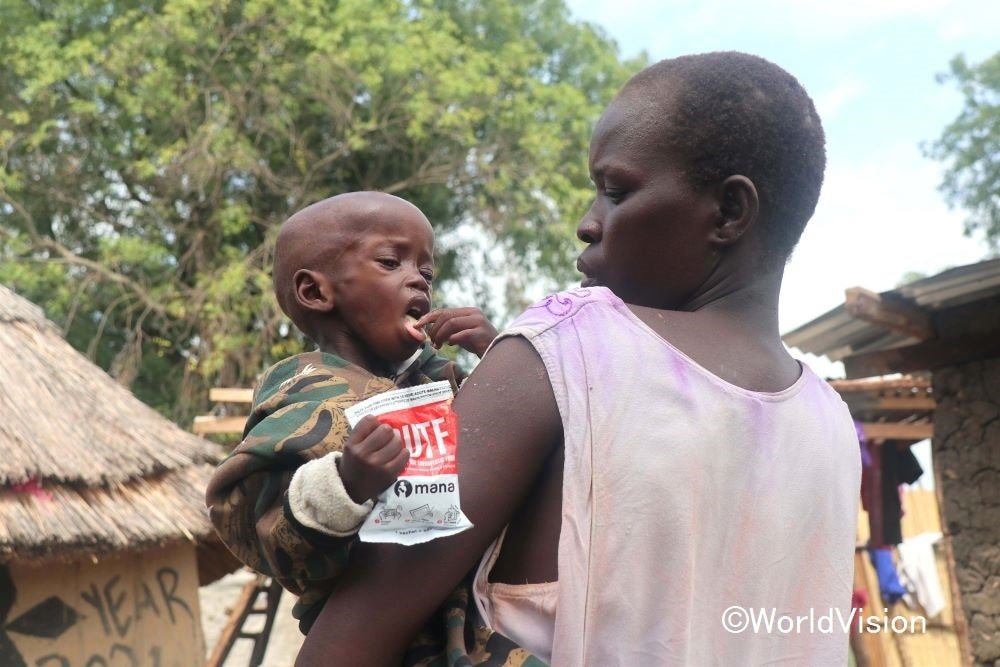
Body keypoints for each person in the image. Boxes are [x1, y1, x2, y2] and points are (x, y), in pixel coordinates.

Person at [297, 51, 861, 666]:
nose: (588, 224)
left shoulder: (570, 348)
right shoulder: (831, 422)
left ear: (729, 212)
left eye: (616, 192)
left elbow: (349, 639)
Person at [205, 191, 498, 632]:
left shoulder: (441, 381)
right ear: (316, 291)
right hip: (370, 637)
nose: (419, 280)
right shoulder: (303, 394)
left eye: (426, 270)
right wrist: (345, 484)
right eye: (390, 262)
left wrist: (497, 356)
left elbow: (509, 445)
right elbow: (257, 527)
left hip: (479, 613)